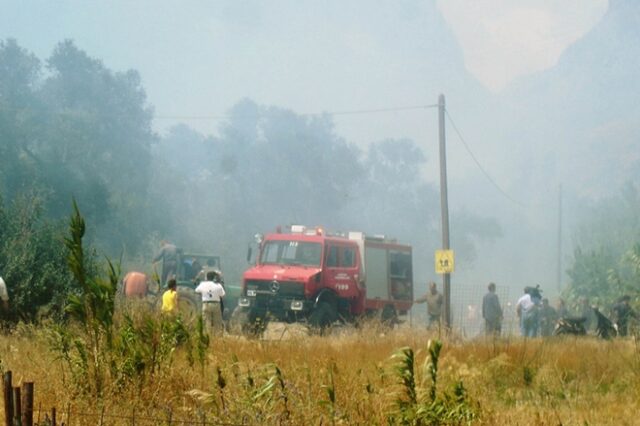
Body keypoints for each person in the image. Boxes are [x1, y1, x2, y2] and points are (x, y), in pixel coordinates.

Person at [195, 271, 226, 336]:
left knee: (207, 322)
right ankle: (217, 338)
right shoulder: (218, 285)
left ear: (206, 277)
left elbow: (196, 290)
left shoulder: (202, 284)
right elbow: (223, 295)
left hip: (206, 304)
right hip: (216, 304)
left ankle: (208, 337)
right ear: (214, 277)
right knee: (217, 322)